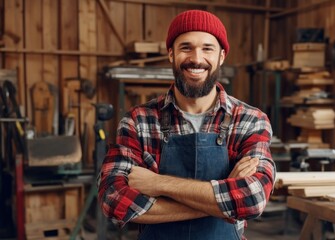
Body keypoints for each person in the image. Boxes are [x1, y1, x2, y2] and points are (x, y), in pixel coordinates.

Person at [98, 9, 276, 240]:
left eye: (207, 48)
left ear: (221, 56)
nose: (196, 58)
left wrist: (158, 184)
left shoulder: (250, 120)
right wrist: (225, 203)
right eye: (186, 47)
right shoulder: (138, 121)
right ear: (171, 54)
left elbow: (253, 199)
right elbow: (114, 200)